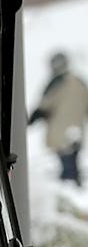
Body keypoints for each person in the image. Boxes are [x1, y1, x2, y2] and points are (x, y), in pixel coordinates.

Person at [29, 51, 86, 187]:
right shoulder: (79, 81)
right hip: (76, 129)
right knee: (72, 157)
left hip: (60, 128)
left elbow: (46, 103)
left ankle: (68, 185)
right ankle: (73, 183)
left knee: (65, 158)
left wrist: (33, 117)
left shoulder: (57, 82)